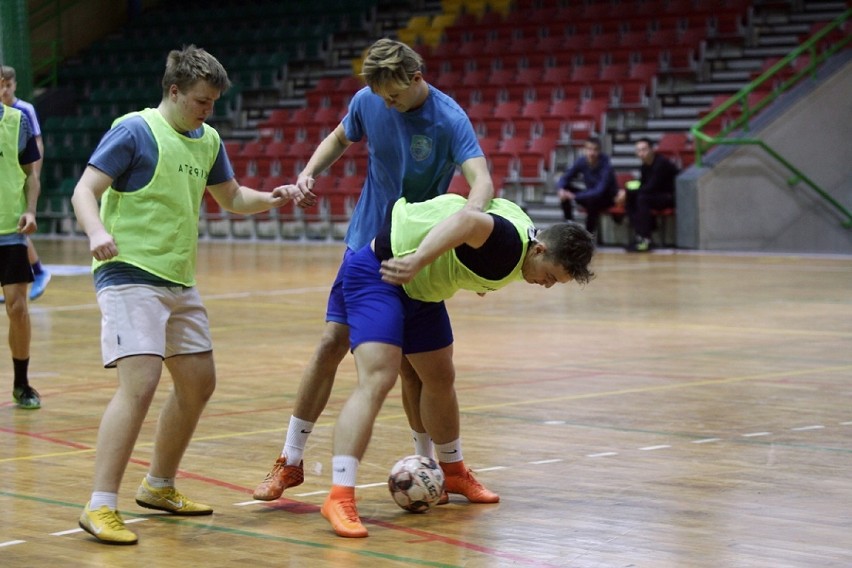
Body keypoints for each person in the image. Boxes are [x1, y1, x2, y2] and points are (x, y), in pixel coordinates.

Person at [253, 38, 496, 504]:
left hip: (418, 253)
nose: (387, 103)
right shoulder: (369, 99)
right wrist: (310, 171)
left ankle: (443, 467)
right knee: (331, 344)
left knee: (421, 369)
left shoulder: (449, 118)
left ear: (416, 78)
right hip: (366, 245)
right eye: (381, 96)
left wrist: (469, 238)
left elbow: (480, 180)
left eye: (394, 96)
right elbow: (341, 136)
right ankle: (289, 461)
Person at [71, 45, 295, 545]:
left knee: (198, 383)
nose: (207, 110)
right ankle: (99, 505)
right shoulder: (134, 130)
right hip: (128, 272)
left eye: (212, 102)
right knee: (141, 384)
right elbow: (84, 190)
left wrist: (272, 197)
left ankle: (158, 486)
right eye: (200, 101)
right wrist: (93, 233)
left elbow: (233, 197)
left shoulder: (208, 138)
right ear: (173, 91)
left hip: (178, 279)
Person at [321, 193, 595, 537]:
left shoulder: (525, 244)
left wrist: (476, 280)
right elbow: (468, 221)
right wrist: (419, 258)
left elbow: (484, 218)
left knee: (439, 376)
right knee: (379, 377)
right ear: (539, 250)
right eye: (551, 277)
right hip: (385, 271)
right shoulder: (508, 244)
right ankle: (339, 495)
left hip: (424, 289)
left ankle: (453, 472)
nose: (546, 285)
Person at [0, 72, 42, 410]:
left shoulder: (18, 121)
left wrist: (30, 210)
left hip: (9, 230)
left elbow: (31, 175)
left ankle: (21, 383)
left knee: (17, 308)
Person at [0, 65, 51, 303]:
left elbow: (37, 144)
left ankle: (39, 271)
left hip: (19, 175)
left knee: (17, 225)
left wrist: (34, 175)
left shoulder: (22, 112)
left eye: (9, 85)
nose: (7, 90)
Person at [617, 137, 679, 252]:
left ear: (652, 149)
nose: (641, 153)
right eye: (638, 150)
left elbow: (651, 187)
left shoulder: (661, 163)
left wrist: (628, 192)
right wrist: (626, 191)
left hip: (670, 196)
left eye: (644, 149)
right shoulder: (644, 166)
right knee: (631, 199)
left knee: (642, 198)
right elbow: (641, 184)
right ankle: (640, 235)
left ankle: (646, 239)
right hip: (654, 196)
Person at [554, 136, 618, 236]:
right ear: (584, 150)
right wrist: (561, 189)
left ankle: (589, 236)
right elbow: (565, 177)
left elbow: (599, 190)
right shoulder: (582, 161)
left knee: (593, 201)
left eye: (595, 150)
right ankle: (569, 223)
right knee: (566, 189)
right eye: (589, 149)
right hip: (590, 195)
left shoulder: (606, 165)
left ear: (599, 151)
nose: (592, 153)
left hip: (607, 198)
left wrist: (575, 196)